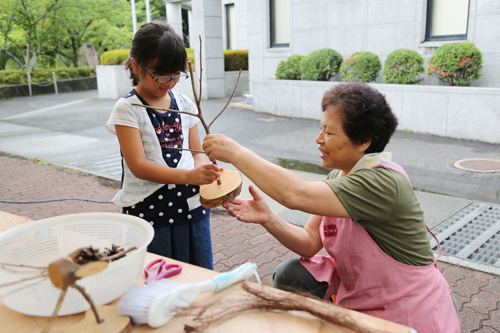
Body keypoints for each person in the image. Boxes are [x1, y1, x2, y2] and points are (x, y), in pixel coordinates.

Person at [202, 82, 460, 332]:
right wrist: (268, 217)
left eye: (329, 132)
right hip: (360, 301)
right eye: (320, 129)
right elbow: (309, 240)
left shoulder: (383, 182)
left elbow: (294, 194)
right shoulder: (340, 176)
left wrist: (235, 152)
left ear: (363, 141)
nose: (318, 139)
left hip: (406, 309)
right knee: (291, 273)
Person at [106, 21, 220, 270]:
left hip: (191, 206)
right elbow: (139, 166)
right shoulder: (128, 109)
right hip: (150, 211)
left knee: (197, 272)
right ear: (136, 64)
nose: (169, 82)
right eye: (160, 74)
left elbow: (196, 151)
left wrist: (204, 172)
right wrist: (190, 175)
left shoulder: (185, 103)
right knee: (158, 275)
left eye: (176, 74)